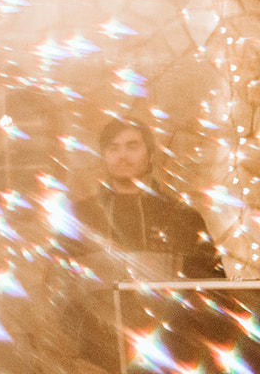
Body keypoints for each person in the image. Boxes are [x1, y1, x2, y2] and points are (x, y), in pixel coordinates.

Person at [63, 118, 224, 371]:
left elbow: (213, 295)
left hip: (173, 360)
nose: (122, 155)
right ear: (103, 156)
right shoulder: (80, 217)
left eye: (132, 146)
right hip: (99, 361)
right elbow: (60, 290)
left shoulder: (183, 218)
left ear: (150, 154)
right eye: (113, 148)